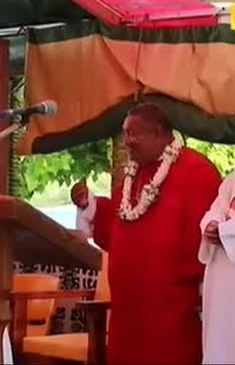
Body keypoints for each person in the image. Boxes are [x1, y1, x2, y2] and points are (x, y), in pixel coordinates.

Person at [71, 103, 221, 364]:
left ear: (158, 133)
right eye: (125, 133)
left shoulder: (196, 171)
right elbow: (121, 220)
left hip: (170, 309)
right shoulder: (132, 173)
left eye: (133, 133)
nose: (128, 141)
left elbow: (212, 236)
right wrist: (91, 206)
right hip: (129, 310)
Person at [199, 171, 235, 363]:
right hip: (224, 278)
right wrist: (211, 224)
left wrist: (226, 232)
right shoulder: (233, 179)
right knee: (221, 342)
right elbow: (217, 208)